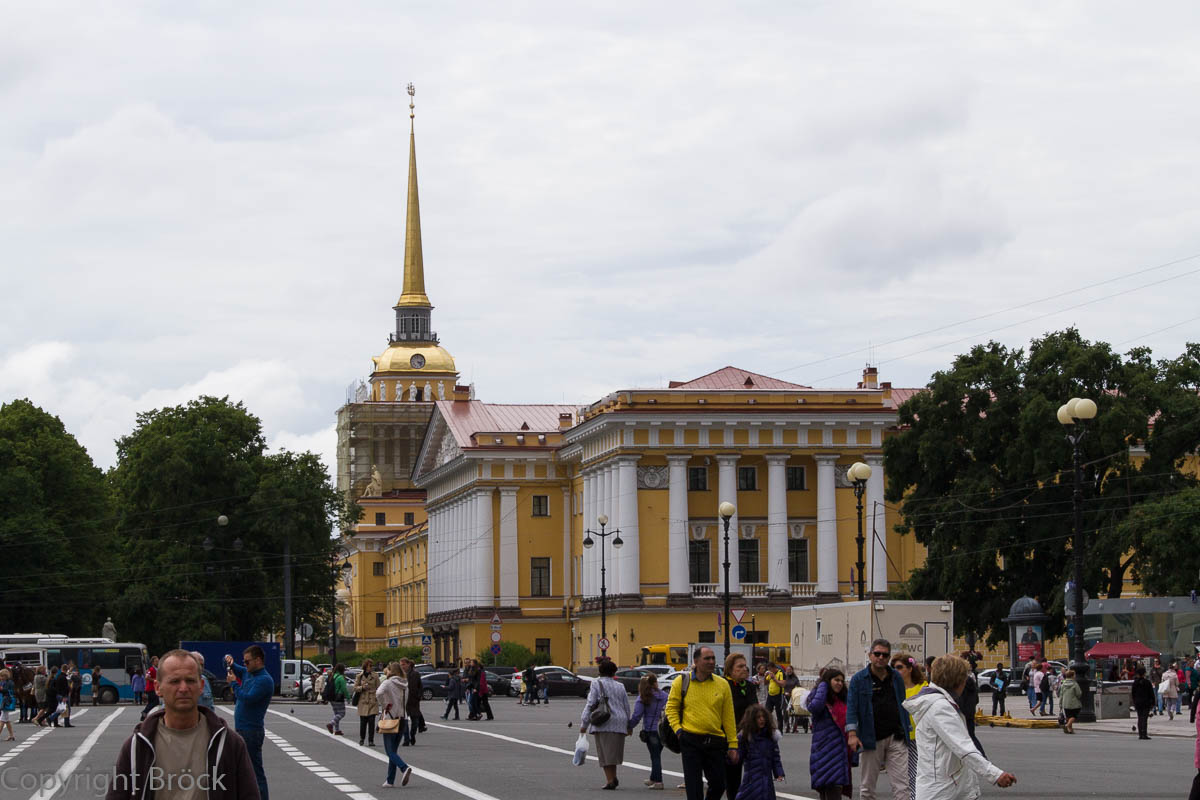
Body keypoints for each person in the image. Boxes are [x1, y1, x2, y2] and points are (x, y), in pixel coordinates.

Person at [104, 650, 260, 800]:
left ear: (201, 686)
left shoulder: (231, 744)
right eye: (174, 681)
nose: (184, 688)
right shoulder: (136, 747)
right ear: (158, 688)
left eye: (190, 680)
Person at [903, 654, 1016, 800]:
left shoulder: (937, 702)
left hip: (942, 787)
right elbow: (964, 748)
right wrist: (995, 774)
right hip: (943, 791)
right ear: (957, 681)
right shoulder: (940, 707)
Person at [665, 646, 739, 800]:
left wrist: (733, 744)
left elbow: (728, 716)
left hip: (716, 741)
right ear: (696, 661)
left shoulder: (722, 684)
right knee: (694, 787)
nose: (711, 662)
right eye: (707, 658)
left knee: (719, 784)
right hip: (690, 740)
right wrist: (679, 731)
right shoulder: (682, 681)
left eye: (713, 658)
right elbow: (670, 709)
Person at [846, 638, 910, 800]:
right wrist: (852, 734)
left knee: (902, 787)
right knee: (867, 788)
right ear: (870, 655)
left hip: (896, 736)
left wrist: (907, 728)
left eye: (885, 655)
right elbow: (852, 708)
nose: (881, 657)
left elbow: (902, 703)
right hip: (870, 737)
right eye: (877, 654)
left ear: (889, 658)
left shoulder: (896, 677)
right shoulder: (859, 679)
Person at [226, 645, 274, 799]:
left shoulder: (264, 680)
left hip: (251, 731)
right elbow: (232, 666)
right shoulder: (249, 672)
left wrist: (234, 683)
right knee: (244, 769)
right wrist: (229, 661)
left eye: (247, 662)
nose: (244, 665)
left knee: (255, 771)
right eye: (244, 662)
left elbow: (248, 698)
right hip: (243, 729)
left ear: (258, 660)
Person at [579, 659, 633, 790]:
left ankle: (610, 780)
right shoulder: (620, 686)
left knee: (604, 753)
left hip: (604, 721)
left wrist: (584, 723)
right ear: (614, 672)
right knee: (613, 753)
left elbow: (591, 704)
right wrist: (629, 725)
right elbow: (626, 706)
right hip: (620, 721)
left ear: (600, 671)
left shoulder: (596, 683)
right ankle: (612, 778)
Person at [806, 668, 855, 800]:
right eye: (835, 680)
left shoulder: (844, 699)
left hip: (839, 752)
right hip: (823, 750)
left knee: (834, 789)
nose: (839, 683)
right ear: (828, 681)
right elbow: (814, 708)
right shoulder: (819, 698)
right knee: (824, 790)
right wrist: (822, 686)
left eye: (841, 681)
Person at [893, 654, 928, 800]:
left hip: (919, 736)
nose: (896, 671)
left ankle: (915, 797)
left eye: (899, 667)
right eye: (893, 668)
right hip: (900, 736)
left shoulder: (923, 687)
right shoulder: (893, 688)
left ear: (909, 668)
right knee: (902, 774)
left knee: (917, 771)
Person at [376, 661, 414, 788]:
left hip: (390, 718)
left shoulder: (387, 682)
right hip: (402, 718)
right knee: (394, 751)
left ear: (391, 671)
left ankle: (404, 767)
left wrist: (385, 704)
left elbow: (378, 693)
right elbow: (405, 701)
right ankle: (390, 780)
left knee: (389, 751)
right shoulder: (405, 685)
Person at [725, 652, 757, 799]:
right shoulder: (724, 685)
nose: (745, 669)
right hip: (728, 736)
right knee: (731, 776)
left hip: (747, 735)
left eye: (745, 666)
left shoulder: (750, 686)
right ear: (730, 669)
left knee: (751, 775)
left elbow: (755, 708)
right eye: (740, 666)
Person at [734, 703, 784, 799]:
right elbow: (739, 755)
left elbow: (775, 757)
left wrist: (779, 772)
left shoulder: (770, 736)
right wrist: (733, 756)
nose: (762, 719)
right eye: (758, 717)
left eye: (763, 717)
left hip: (766, 778)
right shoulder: (746, 737)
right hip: (751, 778)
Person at [630, 673, 668, 790]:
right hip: (663, 730)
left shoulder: (643, 698)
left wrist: (629, 726)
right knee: (656, 754)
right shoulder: (665, 696)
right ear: (655, 683)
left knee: (655, 756)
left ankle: (658, 781)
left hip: (651, 730)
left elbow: (637, 715)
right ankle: (653, 777)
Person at [356, 659, 381, 744]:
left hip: (372, 700)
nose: (371, 667)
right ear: (365, 666)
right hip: (363, 701)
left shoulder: (375, 676)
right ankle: (362, 738)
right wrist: (362, 688)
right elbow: (355, 688)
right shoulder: (359, 676)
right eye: (369, 666)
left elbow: (379, 688)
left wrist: (377, 697)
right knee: (363, 722)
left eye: (371, 666)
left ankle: (371, 740)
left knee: (371, 722)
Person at [1131, 664, 1155, 740]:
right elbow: (1151, 693)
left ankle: (1140, 734)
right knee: (1144, 718)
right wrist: (1153, 702)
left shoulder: (1135, 682)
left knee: (1139, 717)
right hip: (1146, 702)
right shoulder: (1147, 682)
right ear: (1144, 673)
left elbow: (1133, 693)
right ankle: (1144, 733)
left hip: (1138, 702)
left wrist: (1134, 701)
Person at [402, 659, 423, 744]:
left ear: (408, 664)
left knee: (415, 721)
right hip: (404, 701)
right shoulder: (400, 674)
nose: (402, 666)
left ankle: (412, 734)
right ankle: (406, 739)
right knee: (404, 721)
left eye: (403, 664)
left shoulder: (416, 674)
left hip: (414, 700)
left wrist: (419, 696)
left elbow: (420, 686)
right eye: (401, 665)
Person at [326, 663, 349, 736]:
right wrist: (348, 697)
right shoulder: (341, 677)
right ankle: (331, 724)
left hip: (331, 697)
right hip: (338, 697)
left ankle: (337, 730)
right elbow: (344, 689)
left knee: (336, 713)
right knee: (342, 713)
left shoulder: (333, 676)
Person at [1059, 669, 1082, 734]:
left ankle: (1070, 729)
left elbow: (1061, 694)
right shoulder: (1075, 684)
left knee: (1068, 716)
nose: (1075, 676)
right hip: (1074, 703)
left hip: (1065, 703)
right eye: (1074, 675)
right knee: (1074, 715)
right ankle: (1067, 725)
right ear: (1072, 676)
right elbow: (1079, 694)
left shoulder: (1063, 684)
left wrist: (1060, 704)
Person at [141, 655, 160, 720]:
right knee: (156, 702)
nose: (158, 662)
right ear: (153, 663)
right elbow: (147, 677)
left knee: (150, 702)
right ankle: (145, 712)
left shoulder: (157, 669)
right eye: (156, 661)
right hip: (151, 688)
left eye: (158, 661)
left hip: (154, 688)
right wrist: (154, 680)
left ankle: (144, 715)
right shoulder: (151, 669)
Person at [0, 668, 16, 741]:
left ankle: (11, 735)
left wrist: (1, 689)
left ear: (5, 676)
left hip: (6, 701)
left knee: (2, 719)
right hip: (5, 700)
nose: (0, 677)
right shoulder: (5, 682)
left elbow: (6, 691)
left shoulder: (9, 683)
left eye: (2, 676)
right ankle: (11, 735)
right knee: (6, 720)